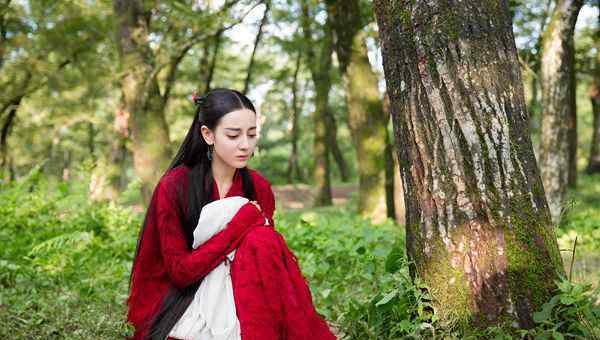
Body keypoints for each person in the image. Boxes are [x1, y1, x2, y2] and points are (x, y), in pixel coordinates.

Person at [126, 88, 336, 340]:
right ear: (208, 134)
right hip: (181, 294)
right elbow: (180, 273)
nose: (245, 145)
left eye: (252, 134)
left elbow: (261, 259)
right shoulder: (176, 186)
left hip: (243, 286)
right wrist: (241, 224)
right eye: (234, 135)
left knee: (263, 240)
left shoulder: (258, 187)